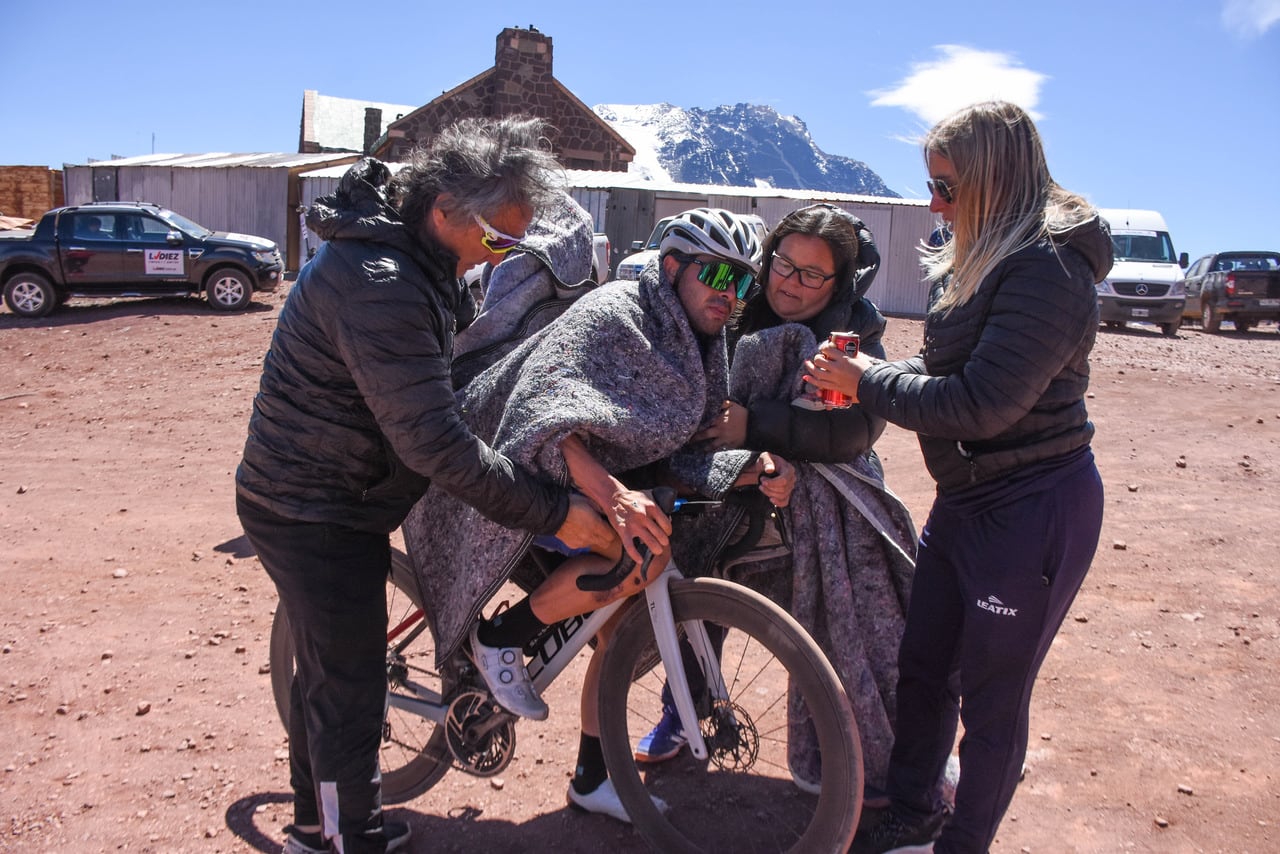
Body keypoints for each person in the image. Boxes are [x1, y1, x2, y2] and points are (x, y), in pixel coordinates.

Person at [235, 116, 605, 854]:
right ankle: (347, 838)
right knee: (348, 686)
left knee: (333, 671)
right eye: (498, 239)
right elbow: (436, 444)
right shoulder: (385, 285)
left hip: (337, 492)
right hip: (312, 506)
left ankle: (317, 824)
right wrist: (555, 512)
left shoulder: (418, 256)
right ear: (443, 211)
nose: (501, 255)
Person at [402, 207, 796, 823]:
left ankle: (591, 775)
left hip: (570, 475)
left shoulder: (703, 345)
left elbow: (675, 451)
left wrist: (747, 466)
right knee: (628, 549)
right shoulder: (614, 312)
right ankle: (498, 637)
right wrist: (616, 496)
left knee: (616, 630)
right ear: (673, 268)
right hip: (496, 461)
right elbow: (541, 417)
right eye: (718, 274)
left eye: (742, 282)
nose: (730, 294)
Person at [805, 100, 1113, 853]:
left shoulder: (1048, 268)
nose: (934, 204)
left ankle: (962, 842)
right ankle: (914, 809)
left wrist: (869, 380)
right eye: (931, 185)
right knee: (925, 666)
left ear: (994, 180)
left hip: (1033, 506)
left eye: (946, 186)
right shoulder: (982, 250)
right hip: (971, 500)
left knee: (994, 698)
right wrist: (867, 374)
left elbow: (981, 402)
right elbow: (950, 371)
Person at [632, 204, 918, 806]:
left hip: (826, 500)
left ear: (839, 283)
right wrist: (746, 455)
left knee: (843, 625)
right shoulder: (735, 299)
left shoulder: (857, 331)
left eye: (813, 275)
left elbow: (858, 430)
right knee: (702, 595)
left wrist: (756, 425)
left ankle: (863, 749)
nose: (791, 282)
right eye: (784, 264)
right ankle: (683, 712)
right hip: (738, 484)